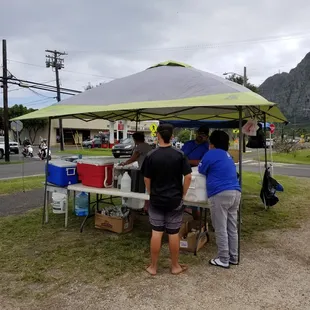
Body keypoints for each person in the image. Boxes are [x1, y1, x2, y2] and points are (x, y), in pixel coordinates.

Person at [141, 124, 192, 276]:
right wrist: (183, 194)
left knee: (156, 233)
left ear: (158, 135)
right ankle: (175, 266)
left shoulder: (151, 155)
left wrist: (151, 193)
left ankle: (153, 267)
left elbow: (146, 178)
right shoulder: (180, 154)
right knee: (173, 233)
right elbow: (188, 176)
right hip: (175, 200)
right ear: (171, 136)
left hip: (156, 200)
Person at [198, 130, 241, 269]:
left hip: (220, 193)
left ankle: (223, 258)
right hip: (235, 192)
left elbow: (201, 170)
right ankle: (233, 257)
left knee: (220, 227)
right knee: (232, 227)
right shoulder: (227, 155)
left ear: (212, 143)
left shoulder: (211, 153)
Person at [181, 125, 210, 220]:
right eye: (199, 133)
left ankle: (197, 222)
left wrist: (187, 161)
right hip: (184, 173)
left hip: (198, 175)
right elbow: (180, 156)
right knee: (182, 197)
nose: (201, 136)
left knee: (195, 199)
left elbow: (202, 162)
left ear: (207, 136)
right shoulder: (188, 144)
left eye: (204, 134)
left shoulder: (207, 147)